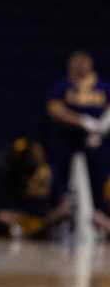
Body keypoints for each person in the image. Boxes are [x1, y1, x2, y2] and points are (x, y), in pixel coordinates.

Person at [46, 49, 107, 199]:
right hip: (67, 141)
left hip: (96, 142)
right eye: (77, 63)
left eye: (83, 63)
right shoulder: (63, 86)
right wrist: (82, 121)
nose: (80, 67)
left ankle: (101, 213)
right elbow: (55, 110)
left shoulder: (102, 86)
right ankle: (61, 210)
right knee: (62, 178)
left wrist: (102, 128)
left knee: (99, 179)